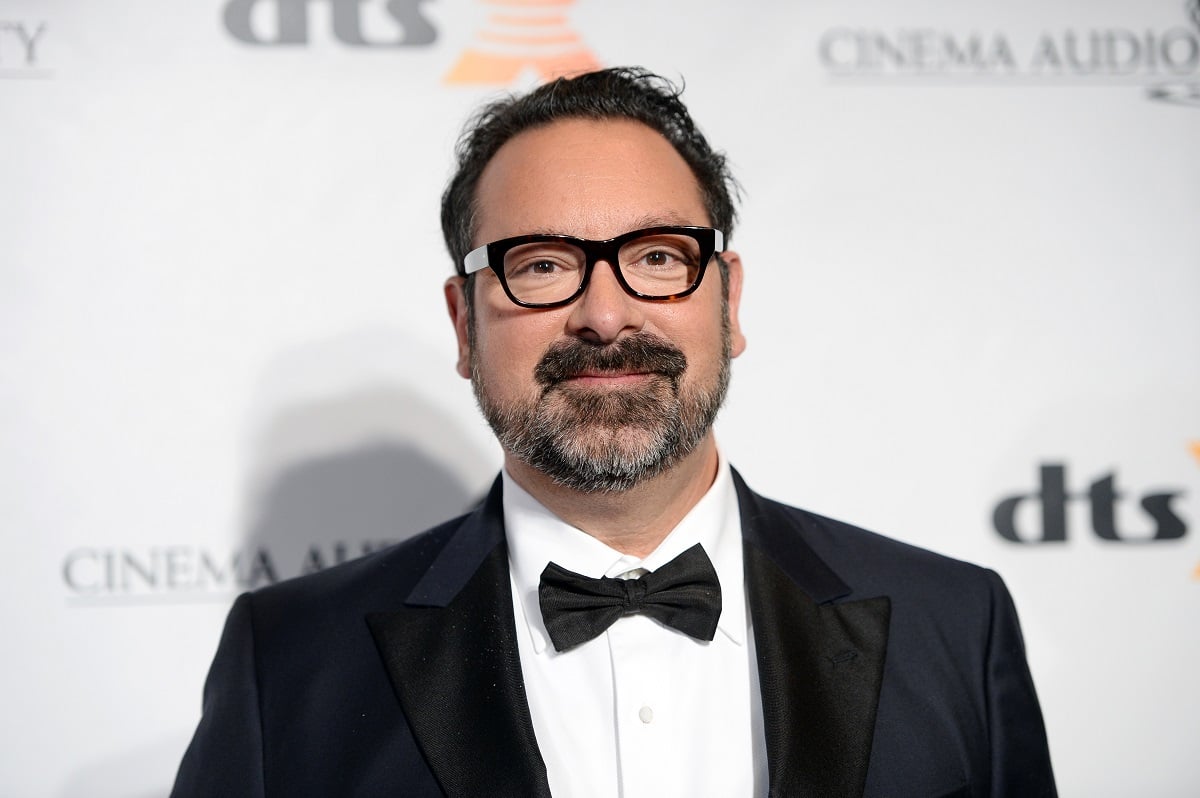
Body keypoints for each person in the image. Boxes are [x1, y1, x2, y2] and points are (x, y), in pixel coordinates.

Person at [171, 67, 1056, 798]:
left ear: (729, 303)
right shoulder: (289, 663)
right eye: (542, 265)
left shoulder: (954, 623)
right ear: (464, 325)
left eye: (658, 257)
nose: (604, 314)